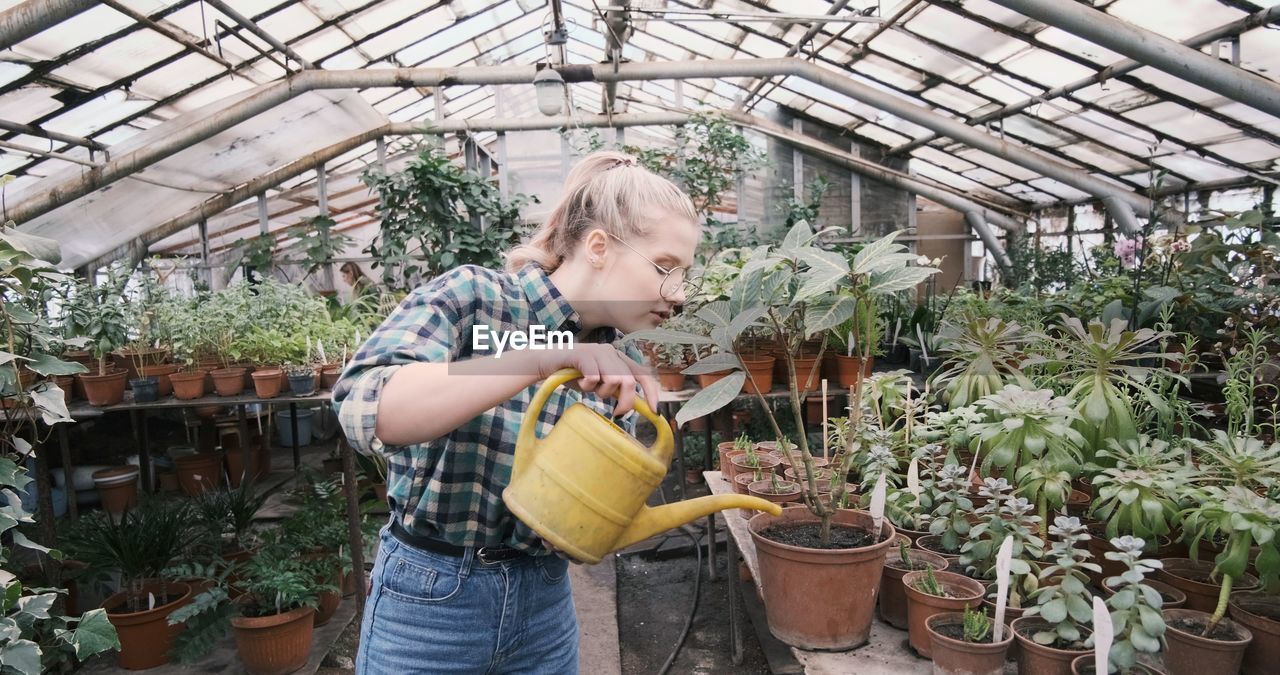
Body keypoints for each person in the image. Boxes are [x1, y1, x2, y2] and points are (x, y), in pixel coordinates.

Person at [334, 150, 701, 674]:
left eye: (684, 274)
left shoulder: (621, 360)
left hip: (544, 604)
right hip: (430, 605)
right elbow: (367, 406)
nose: (678, 294)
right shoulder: (476, 300)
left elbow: (570, 519)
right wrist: (545, 357)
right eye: (666, 268)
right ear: (598, 246)